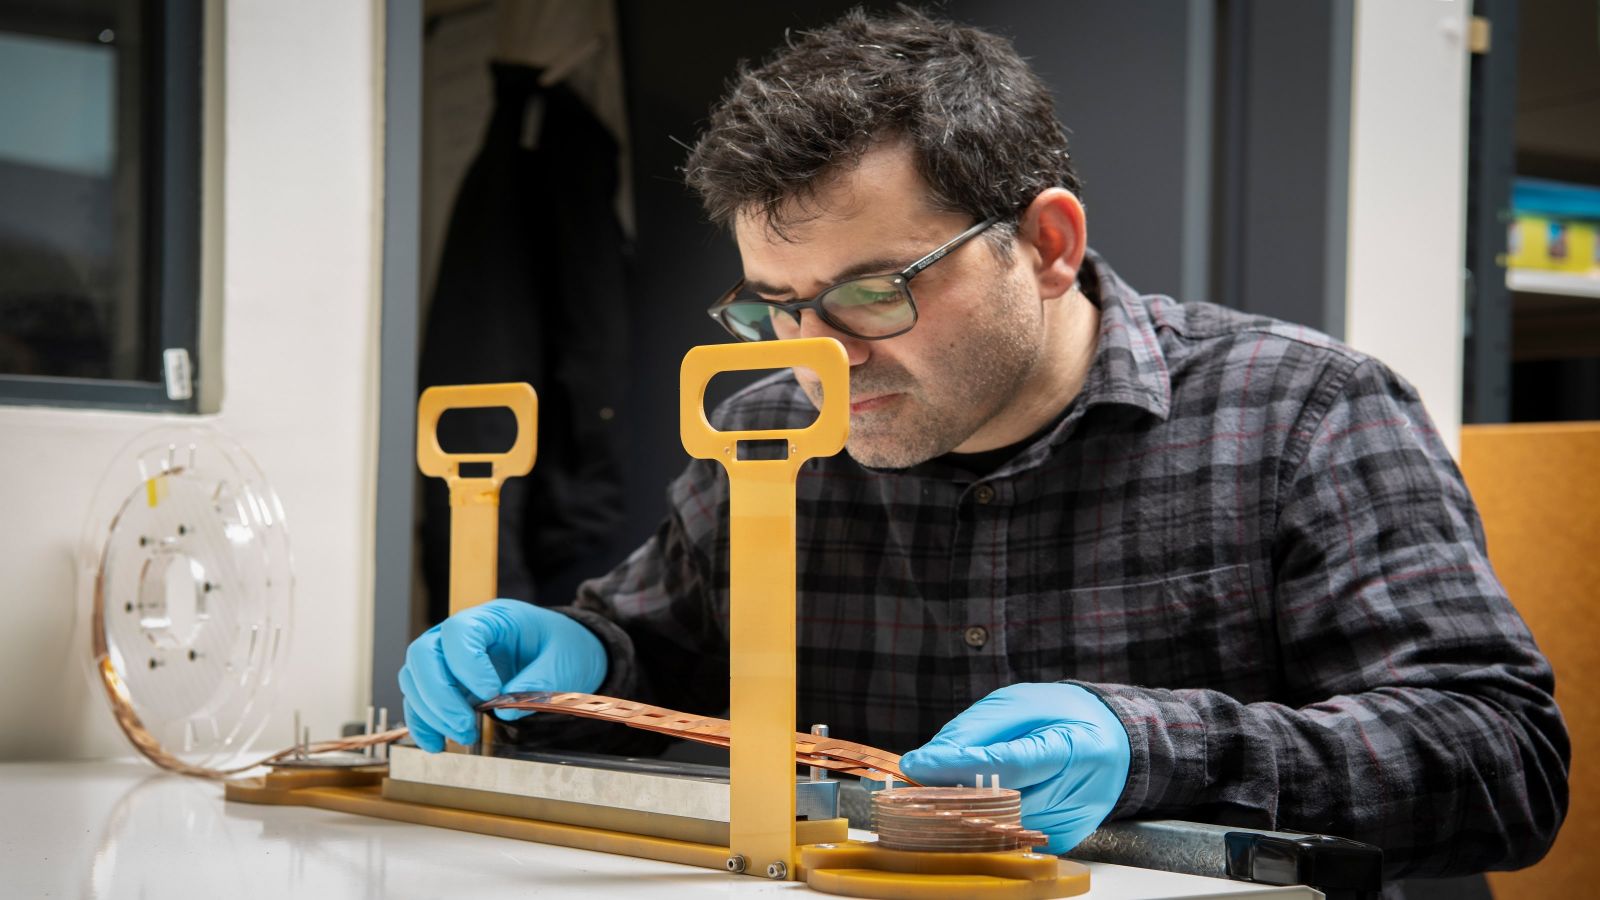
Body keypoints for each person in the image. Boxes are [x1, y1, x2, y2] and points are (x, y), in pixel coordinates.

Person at [398, 6, 1568, 879]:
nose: (818, 352)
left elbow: (1501, 759)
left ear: (1048, 243)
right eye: (774, 303)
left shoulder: (1305, 412)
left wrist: (1148, 741)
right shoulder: (774, 431)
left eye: (870, 289)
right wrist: (568, 661)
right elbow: (650, 651)